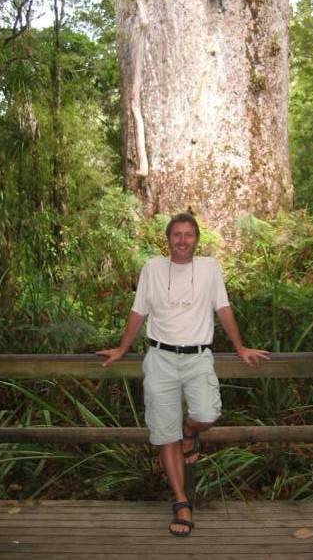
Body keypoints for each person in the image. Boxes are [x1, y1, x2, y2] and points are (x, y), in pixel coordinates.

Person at [97, 212, 269, 537]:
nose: (182, 240)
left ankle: (190, 433)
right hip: (160, 357)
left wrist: (241, 347)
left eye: (189, 234)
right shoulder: (152, 268)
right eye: (177, 234)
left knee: (207, 413)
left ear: (197, 239)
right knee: (164, 433)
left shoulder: (209, 268)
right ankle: (181, 502)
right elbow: (138, 311)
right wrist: (121, 349)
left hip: (198, 356)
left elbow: (224, 309)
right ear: (168, 238)